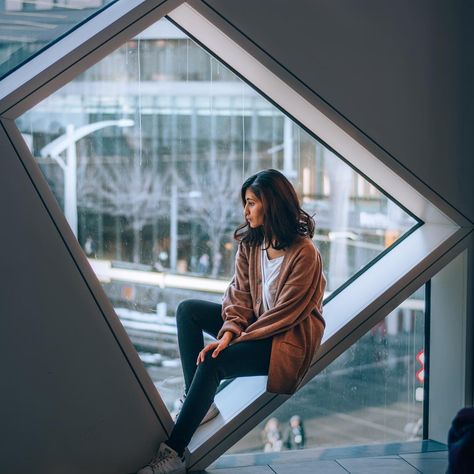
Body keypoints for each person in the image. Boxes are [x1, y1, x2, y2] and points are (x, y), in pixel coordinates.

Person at [138, 169, 326, 474]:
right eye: (246, 203)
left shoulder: (305, 253)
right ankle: (201, 403)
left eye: (251, 203)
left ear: (272, 204)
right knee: (188, 310)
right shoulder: (252, 244)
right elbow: (238, 297)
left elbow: (285, 314)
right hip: (254, 327)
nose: (246, 210)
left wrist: (231, 340)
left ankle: (172, 456)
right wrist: (228, 332)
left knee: (212, 362)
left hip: (285, 341)